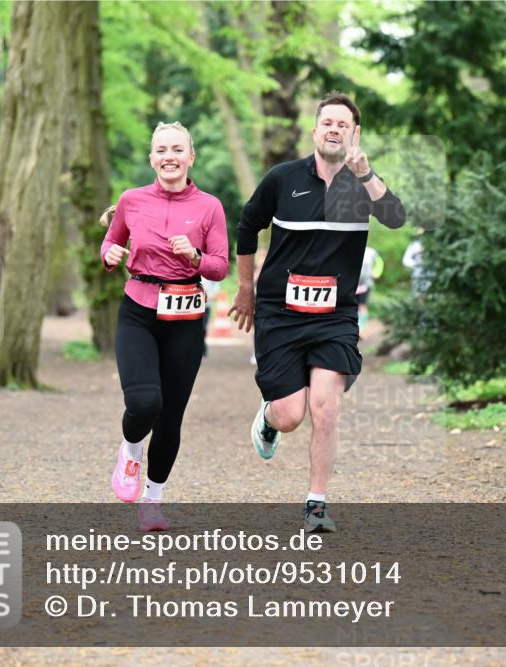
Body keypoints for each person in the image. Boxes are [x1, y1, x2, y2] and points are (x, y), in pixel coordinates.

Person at [229, 91, 406, 532]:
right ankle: (269, 419)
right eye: (327, 122)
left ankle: (316, 506)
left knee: (326, 408)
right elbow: (248, 226)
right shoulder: (283, 178)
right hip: (281, 312)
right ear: (314, 130)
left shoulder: (362, 184)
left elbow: (397, 217)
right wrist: (245, 289)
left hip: (335, 316)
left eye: (342, 124)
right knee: (292, 415)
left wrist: (367, 174)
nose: (334, 129)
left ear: (354, 133)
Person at [101, 121, 229, 531]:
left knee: (171, 414)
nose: (168, 157)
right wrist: (109, 255)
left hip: (186, 317)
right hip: (138, 308)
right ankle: (131, 448)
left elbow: (220, 266)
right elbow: (110, 242)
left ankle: (153, 501)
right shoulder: (132, 200)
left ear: (191, 157)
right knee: (144, 403)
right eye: (161, 150)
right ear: (151, 157)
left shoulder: (209, 206)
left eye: (177, 149)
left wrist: (194, 256)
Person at [356, 246, 384, 334]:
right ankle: (355, 328)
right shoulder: (351, 248)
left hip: (366, 284)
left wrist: (376, 273)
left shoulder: (371, 251)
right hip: (353, 285)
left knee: (362, 306)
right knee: (353, 306)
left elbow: (379, 262)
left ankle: (362, 328)